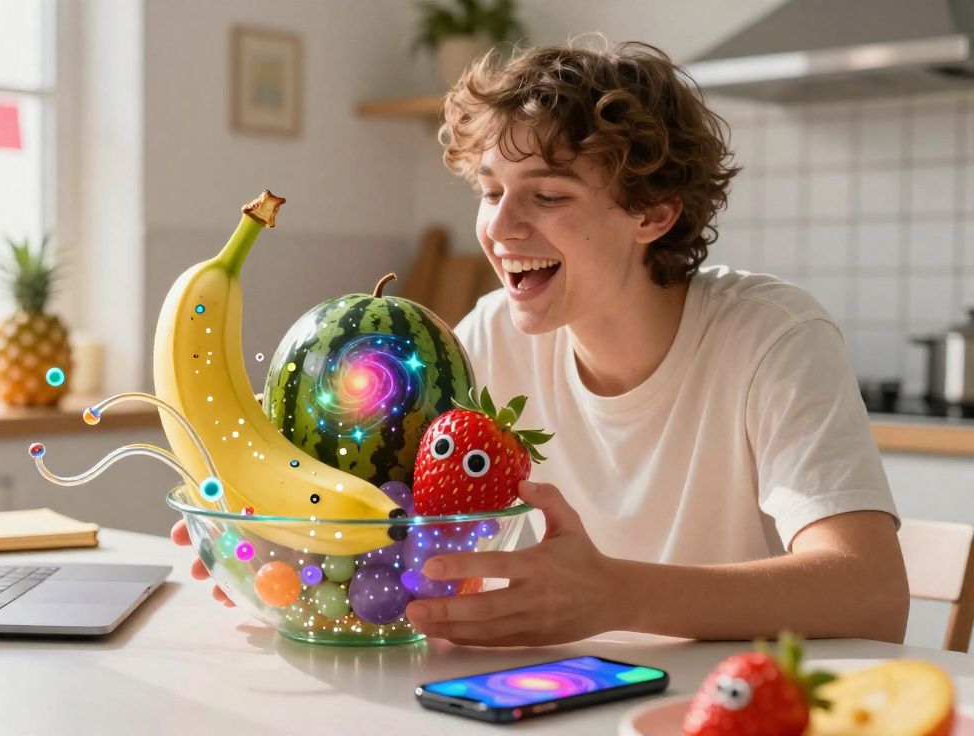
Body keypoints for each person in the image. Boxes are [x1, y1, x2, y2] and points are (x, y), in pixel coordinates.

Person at [172, 38, 909, 646]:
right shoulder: (490, 336)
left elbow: (870, 593)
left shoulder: (772, 338)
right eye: (491, 191)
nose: (499, 227)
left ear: (653, 212)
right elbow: (393, 536)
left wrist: (617, 595)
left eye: (549, 195)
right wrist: (275, 556)